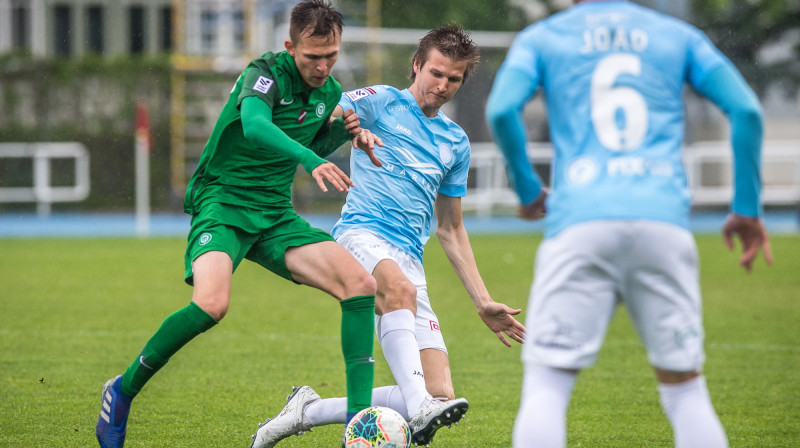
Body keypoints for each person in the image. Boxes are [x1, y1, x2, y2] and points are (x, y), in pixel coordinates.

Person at [95, 1, 385, 447]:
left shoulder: (330, 93)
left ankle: (359, 428)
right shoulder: (263, 73)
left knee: (360, 285)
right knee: (211, 305)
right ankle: (122, 389)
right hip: (223, 203)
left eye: (331, 56)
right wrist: (309, 159)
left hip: (274, 214)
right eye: (312, 57)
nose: (323, 67)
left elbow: (308, 139)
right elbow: (254, 126)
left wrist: (344, 132)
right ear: (290, 47)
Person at [485, 1, 774, 447]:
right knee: (686, 391)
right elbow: (748, 112)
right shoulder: (676, 35)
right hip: (661, 221)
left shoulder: (544, 37)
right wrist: (747, 207)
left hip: (580, 221)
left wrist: (528, 192)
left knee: (548, 386)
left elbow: (502, 110)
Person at [251, 24, 526, 448]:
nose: (442, 85)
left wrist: (482, 301)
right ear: (417, 65)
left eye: (453, 79)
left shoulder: (455, 142)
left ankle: (307, 411)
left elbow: (451, 228)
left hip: (410, 259)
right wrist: (354, 129)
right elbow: (327, 109)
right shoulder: (382, 100)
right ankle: (417, 412)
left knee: (440, 394)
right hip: (363, 235)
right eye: (435, 73)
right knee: (400, 308)